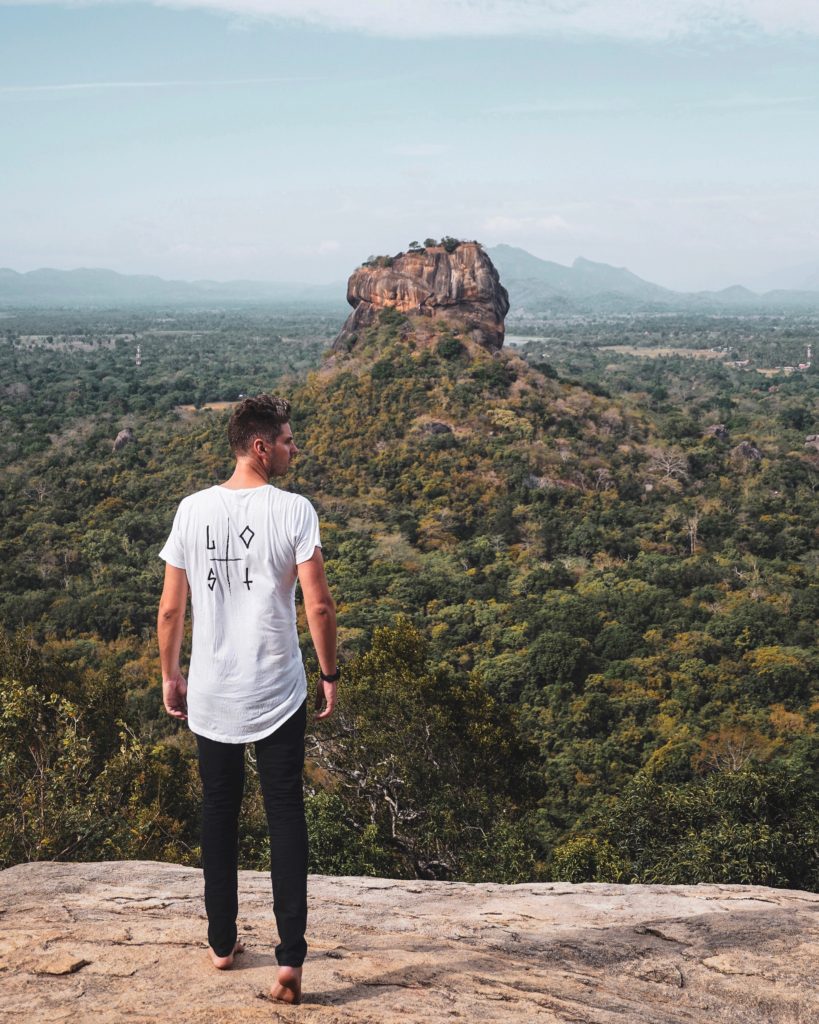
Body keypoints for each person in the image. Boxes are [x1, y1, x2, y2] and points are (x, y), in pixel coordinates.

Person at [157, 394, 338, 1006]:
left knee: (218, 812)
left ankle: (219, 942)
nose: (294, 447)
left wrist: (170, 675)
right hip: (277, 689)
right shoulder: (294, 511)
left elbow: (170, 608)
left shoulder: (192, 510)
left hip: (213, 689)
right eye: (287, 439)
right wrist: (330, 672)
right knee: (285, 813)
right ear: (260, 446)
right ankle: (290, 962)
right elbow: (317, 604)